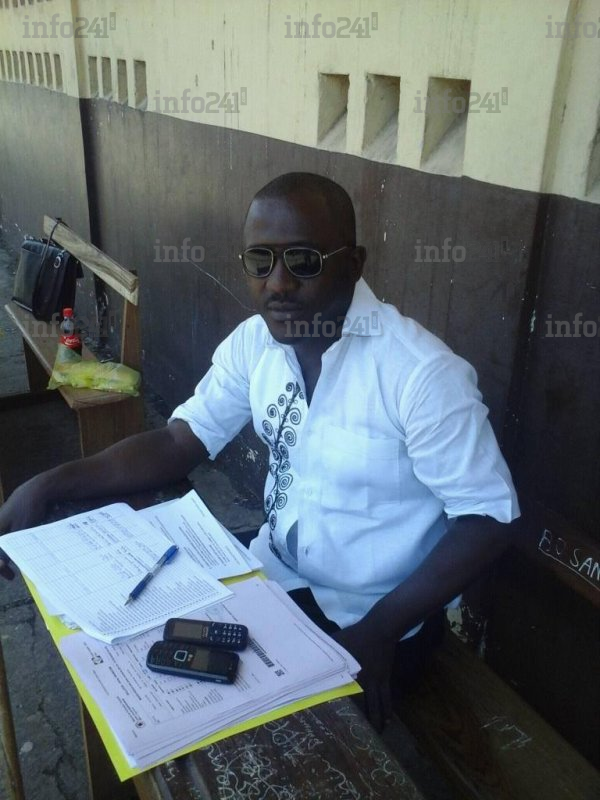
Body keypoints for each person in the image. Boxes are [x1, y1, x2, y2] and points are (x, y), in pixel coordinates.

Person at [0, 172, 519, 731]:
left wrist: (381, 630)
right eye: (260, 261)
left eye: (304, 261)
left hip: (375, 618)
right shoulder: (257, 344)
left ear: (354, 264)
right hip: (271, 575)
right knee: (133, 657)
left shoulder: (419, 374)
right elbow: (178, 441)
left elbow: (489, 518)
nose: (278, 284)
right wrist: (47, 485)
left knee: (255, 738)